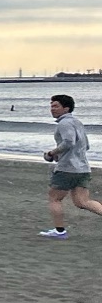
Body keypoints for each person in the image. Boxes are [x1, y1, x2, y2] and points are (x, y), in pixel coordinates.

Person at [40, 94, 100, 239]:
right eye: (51, 106)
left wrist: (52, 153)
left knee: (54, 198)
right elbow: (86, 146)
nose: (52, 109)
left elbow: (68, 142)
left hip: (67, 168)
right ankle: (59, 231)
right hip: (83, 168)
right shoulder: (77, 122)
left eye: (56, 106)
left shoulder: (64, 123)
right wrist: (61, 154)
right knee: (82, 202)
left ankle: (60, 231)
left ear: (66, 108)